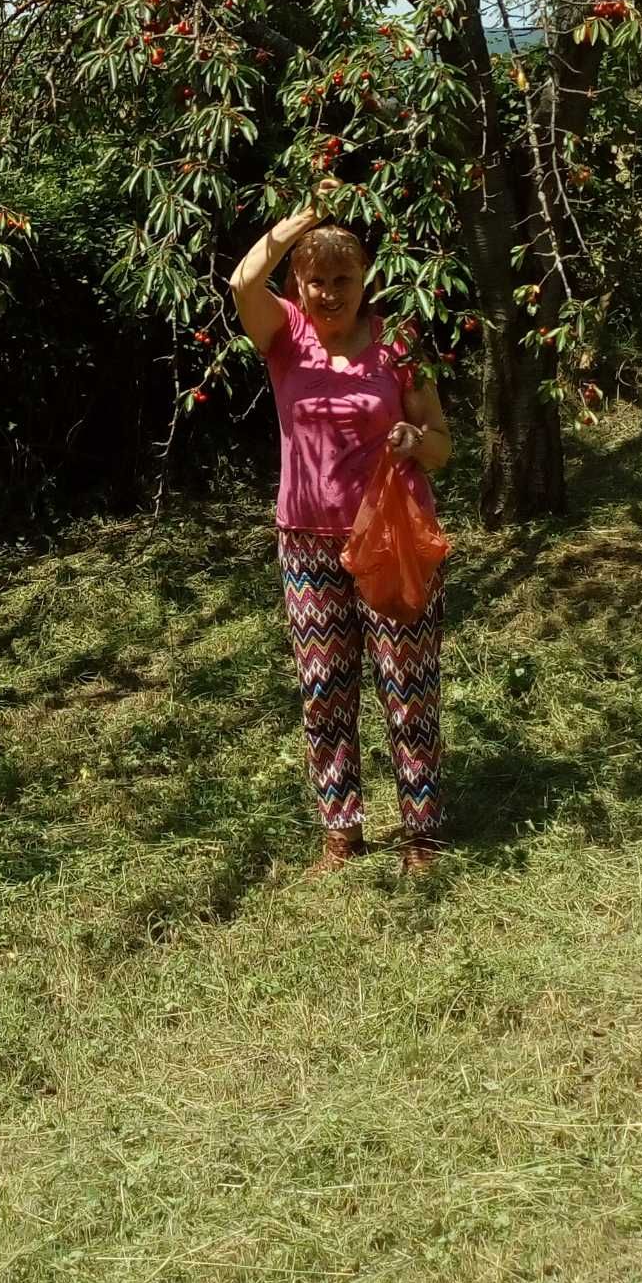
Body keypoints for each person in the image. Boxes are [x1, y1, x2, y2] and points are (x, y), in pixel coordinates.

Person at [230, 202, 453, 878]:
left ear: (366, 279)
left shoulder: (400, 343)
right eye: (315, 279)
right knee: (324, 688)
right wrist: (302, 221)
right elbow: (242, 284)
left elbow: (442, 441)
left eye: (342, 278)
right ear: (298, 284)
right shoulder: (286, 337)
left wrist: (417, 441)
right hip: (306, 543)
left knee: (406, 684)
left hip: (387, 539)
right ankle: (342, 831)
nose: (329, 292)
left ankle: (422, 832)